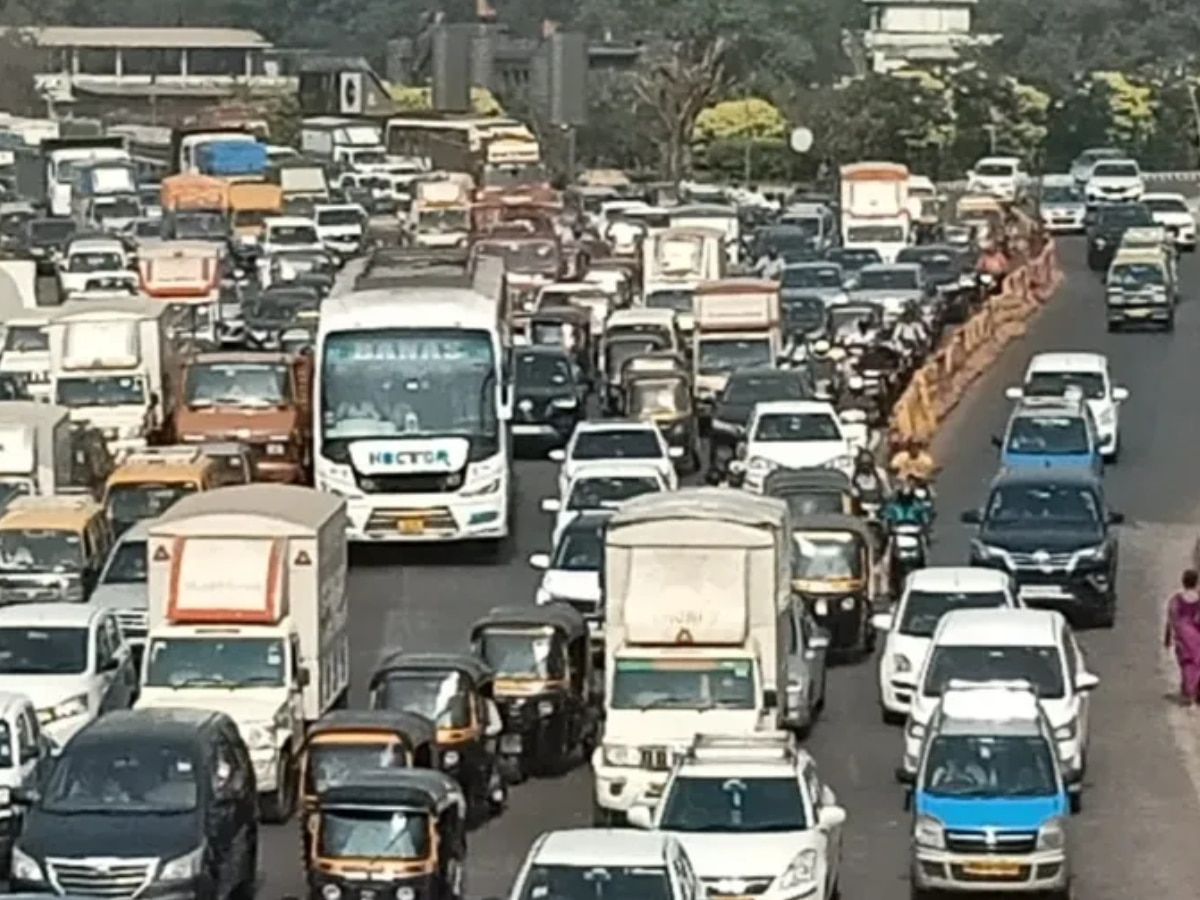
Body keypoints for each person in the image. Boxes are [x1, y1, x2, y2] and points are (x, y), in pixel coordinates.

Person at [1164, 569, 1200, 705]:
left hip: (1182, 637)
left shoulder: (1176, 600)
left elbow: (1171, 619)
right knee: (1197, 664)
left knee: (1186, 664)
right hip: (1197, 637)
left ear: (1183, 582)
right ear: (1196, 582)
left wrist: (1168, 637)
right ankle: (1195, 690)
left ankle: (1188, 691)